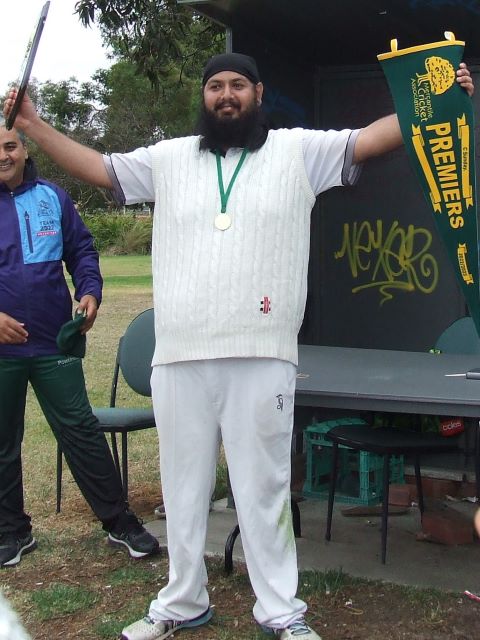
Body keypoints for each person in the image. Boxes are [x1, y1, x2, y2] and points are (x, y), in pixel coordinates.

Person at [4, 53, 474, 640]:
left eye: (237, 86)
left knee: (264, 487)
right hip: (179, 355)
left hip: (262, 352)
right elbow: (100, 169)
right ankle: (181, 602)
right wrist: (32, 125)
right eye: (215, 87)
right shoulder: (169, 158)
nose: (225, 96)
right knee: (182, 487)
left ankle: (281, 612)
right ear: (205, 97)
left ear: (258, 93)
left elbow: (370, 140)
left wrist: (434, 102)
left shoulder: (297, 151)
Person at [0, 119, 160, 569]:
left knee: (82, 432)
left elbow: (83, 250)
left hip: (54, 343)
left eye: (10, 145)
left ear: (25, 150)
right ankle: (12, 532)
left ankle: (120, 523)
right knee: (2, 443)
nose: (3, 155)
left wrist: (89, 291)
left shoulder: (53, 196)